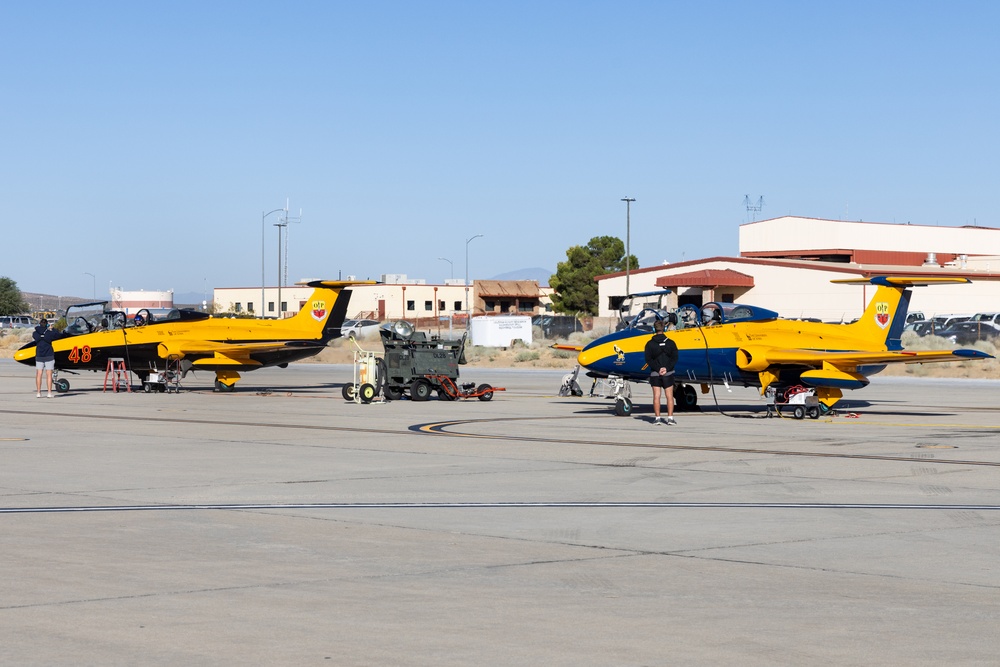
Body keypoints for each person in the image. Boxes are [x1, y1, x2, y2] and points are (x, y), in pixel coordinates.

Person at [643, 319, 679, 425]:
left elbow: (648, 359)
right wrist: (666, 368)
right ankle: (670, 418)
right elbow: (675, 358)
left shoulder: (649, 344)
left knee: (656, 396)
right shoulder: (671, 343)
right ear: (664, 329)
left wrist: (658, 369)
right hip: (668, 373)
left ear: (654, 329)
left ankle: (657, 418)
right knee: (669, 396)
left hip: (655, 373)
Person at [32, 318, 62, 398]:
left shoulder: (35, 333)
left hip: (39, 355)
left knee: (39, 374)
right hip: (49, 354)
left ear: (39, 324)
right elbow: (58, 335)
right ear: (47, 324)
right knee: (49, 374)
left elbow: (35, 337)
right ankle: (49, 393)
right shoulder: (49, 333)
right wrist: (53, 329)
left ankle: (38, 392)